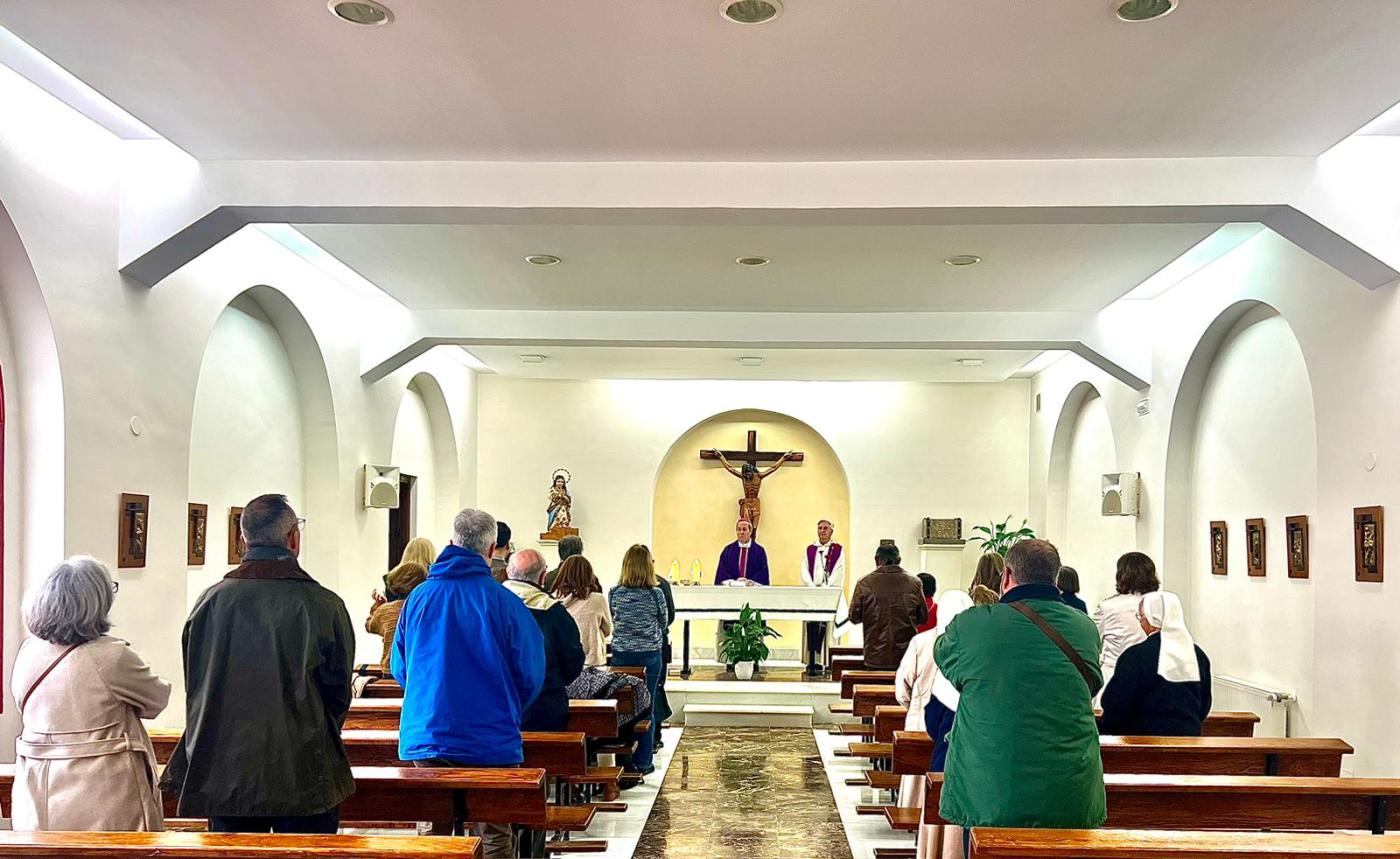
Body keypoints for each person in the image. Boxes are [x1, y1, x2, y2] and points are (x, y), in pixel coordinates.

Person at [162, 494, 355, 834]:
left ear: (243, 540)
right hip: (303, 768)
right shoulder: (323, 605)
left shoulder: (210, 602)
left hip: (225, 769)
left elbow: (198, 685)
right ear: (294, 539)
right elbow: (338, 693)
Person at [392, 508, 544, 859]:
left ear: (451, 543)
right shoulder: (504, 601)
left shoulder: (417, 599)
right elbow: (531, 672)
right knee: (492, 832)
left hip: (428, 732)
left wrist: (429, 696)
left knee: (434, 835)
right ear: (492, 550)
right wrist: (505, 705)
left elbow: (401, 668)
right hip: (489, 734)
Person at [935, 539, 1105, 834]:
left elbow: (948, 663)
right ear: (1055, 577)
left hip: (992, 788)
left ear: (1006, 576)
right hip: (1067, 787)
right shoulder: (1084, 627)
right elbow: (1090, 685)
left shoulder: (972, 625)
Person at [12, 556, 171, 832]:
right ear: (96, 603)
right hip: (106, 796)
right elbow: (157, 699)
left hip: (37, 792)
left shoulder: (29, 652)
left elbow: (21, 704)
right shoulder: (112, 657)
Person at [897, 589, 979, 859]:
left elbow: (909, 695)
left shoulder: (925, 641)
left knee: (930, 801)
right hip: (974, 765)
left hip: (938, 746)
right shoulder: (978, 652)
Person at [1099, 591, 1212, 737]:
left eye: (1141, 615)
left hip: (1141, 744)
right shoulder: (1198, 655)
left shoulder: (1135, 656)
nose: (1140, 621)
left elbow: (1116, 705)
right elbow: (1204, 704)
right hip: (1189, 741)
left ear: (1151, 618)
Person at [503, 549, 585, 732]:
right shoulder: (554, 612)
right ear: (543, 576)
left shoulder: (491, 603)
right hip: (543, 703)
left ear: (508, 572)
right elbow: (572, 660)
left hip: (498, 704)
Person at [609, 544, 669, 780]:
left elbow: (615, 618)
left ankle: (622, 759)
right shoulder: (656, 593)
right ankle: (643, 761)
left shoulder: (615, 592)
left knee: (623, 707)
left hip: (622, 654)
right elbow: (663, 622)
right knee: (647, 706)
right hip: (649, 655)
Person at [848, 543, 927, 671]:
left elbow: (853, 617)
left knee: (875, 690)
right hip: (906, 654)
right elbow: (923, 618)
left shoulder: (864, 583)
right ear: (899, 560)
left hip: (875, 655)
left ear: (876, 560)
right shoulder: (914, 583)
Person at [1093, 552, 1161, 689]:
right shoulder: (1162, 603)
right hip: (1153, 679)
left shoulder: (1107, 607)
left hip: (1114, 677)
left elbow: (1094, 643)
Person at [801, 519, 845, 676]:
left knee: (827, 627)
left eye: (826, 528)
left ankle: (827, 661)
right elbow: (805, 570)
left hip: (829, 596)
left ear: (831, 531)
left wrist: (827, 588)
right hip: (813, 596)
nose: (822, 531)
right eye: (819, 528)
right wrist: (812, 587)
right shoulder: (810, 550)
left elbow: (839, 570)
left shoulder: (838, 550)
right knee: (812, 626)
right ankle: (812, 660)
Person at [365, 560, 427, 671]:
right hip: (415, 670)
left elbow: (369, 626)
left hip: (389, 670)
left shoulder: (386, 610)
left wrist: (377, 607)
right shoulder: (424, 609)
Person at [554, 555, 612, 667]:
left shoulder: (553, 600)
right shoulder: (597, 600)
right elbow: (607, 630)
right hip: (592, 662)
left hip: (564, 662)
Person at [715, 518, 769, 585]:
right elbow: (722, 573)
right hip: (732, 591)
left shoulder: (759, 551)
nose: (741, 532)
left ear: (750, 531)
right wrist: (735, 582)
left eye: (744, 529)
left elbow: (763, 573)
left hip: (753, 591)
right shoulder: (728, 551)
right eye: (739, 529)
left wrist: (751, 582)